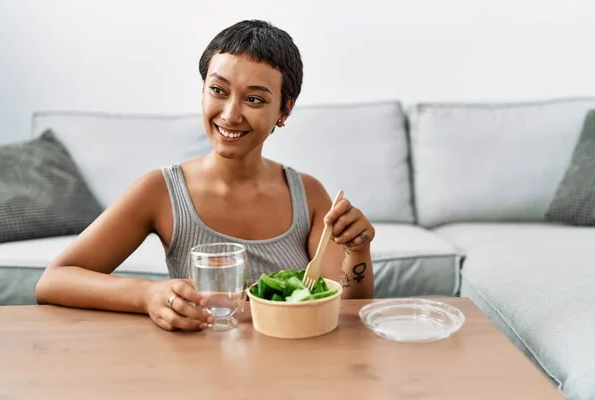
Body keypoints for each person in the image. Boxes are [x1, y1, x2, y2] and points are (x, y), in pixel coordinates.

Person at [35, 19, 376, 332]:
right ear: (202, 91)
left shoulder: (309, 194)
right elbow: (54, 280)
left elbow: (343, 307)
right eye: (218, 90)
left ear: (284, 111)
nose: (230, 114)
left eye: (254, 99)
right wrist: (148, 295)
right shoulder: (161, 190)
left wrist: (357, 251)